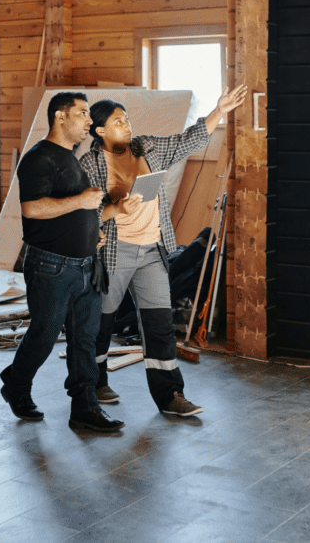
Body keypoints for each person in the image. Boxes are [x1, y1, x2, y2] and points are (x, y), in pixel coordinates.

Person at [80, 85, 248, 416]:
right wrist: (114, 208)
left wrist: (220, 111)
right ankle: (93, 382)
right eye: (117, 121)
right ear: (99, 131)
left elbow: (189, 140)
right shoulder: (90, 164)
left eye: (126, 119)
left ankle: (170, 395)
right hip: (114, 253)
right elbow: (82, 211)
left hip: (152, 250)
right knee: (101, 322)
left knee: (158, 324)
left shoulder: (147, 147)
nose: (126, 125)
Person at [0, 91, 124, 433]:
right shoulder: (39, 159)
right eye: (82, 113)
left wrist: (92, 232)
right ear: (60, 117)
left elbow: (73, 211)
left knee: (85, 339)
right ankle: (16, 384)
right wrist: (83, 201)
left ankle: (84, 408)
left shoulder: (72, 157)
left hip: (86, 264)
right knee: (43, 335)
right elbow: (33, 209)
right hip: (51, 267)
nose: (88, 120)